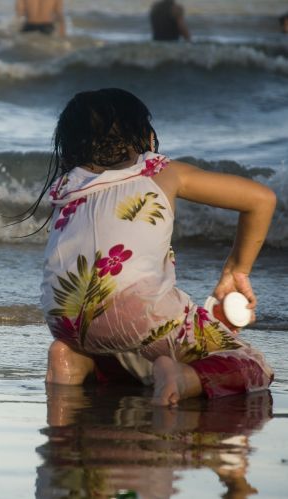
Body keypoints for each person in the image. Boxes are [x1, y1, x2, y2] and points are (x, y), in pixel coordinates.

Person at [35, 88, 276, 406]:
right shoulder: (160, 171)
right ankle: (183, 378)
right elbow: (261, 199)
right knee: (253, 365)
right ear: (147, 138)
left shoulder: (66, 187)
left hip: (63, 319)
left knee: (126, 346)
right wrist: (237, 269)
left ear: (67, 151)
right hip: (139, 315)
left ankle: (73, 359)